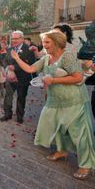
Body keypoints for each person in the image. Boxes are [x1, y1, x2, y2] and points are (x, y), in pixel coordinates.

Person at [11, 30, 95, 179]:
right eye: (43, 42)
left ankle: (85, 165)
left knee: (79, 133)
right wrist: (17, 58)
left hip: (74, 100)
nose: (44, 45)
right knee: (57, 127)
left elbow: (77, 77)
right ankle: (62, 151)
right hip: (55, 101)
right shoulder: (46, 58)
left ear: (56, 42)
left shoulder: (67, 56)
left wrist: (53, 81)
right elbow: (31, 69)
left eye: (47, 42)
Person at [0, 31, 35, 124]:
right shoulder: (10, 49)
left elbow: (30, 63)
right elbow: (5, 61)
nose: (14, 40)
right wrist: (7, 67)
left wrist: (15, 67)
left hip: (22, 78)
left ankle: (19, 116)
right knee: (8, 96)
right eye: (12, 38)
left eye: (16, 38)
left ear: (22, 39)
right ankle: (7, 114)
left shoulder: (28, 49)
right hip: (10, 78)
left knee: (21, 97)